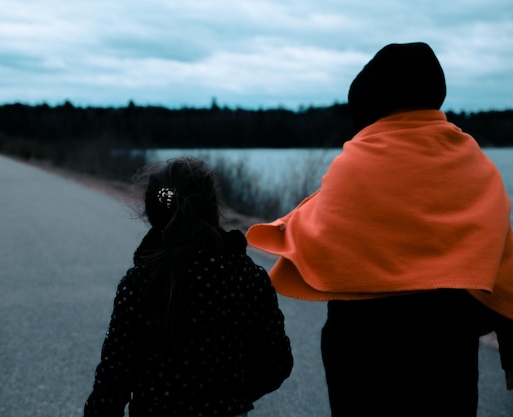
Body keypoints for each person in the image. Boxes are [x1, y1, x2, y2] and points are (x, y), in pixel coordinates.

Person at [247, 42, 513, 417]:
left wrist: (281, 228)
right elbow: (500, 248)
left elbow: (322, 229)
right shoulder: (473, 162)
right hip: (446, 340)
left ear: (368, 101)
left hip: (361, 343)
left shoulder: (354, 162)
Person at [84, 157, 293, 417]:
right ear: (215, 209)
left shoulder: (140, 283)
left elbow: (112, 383)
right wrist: (231, 395)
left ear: (152, 216)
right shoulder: (248, 277)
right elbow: (277, 364)